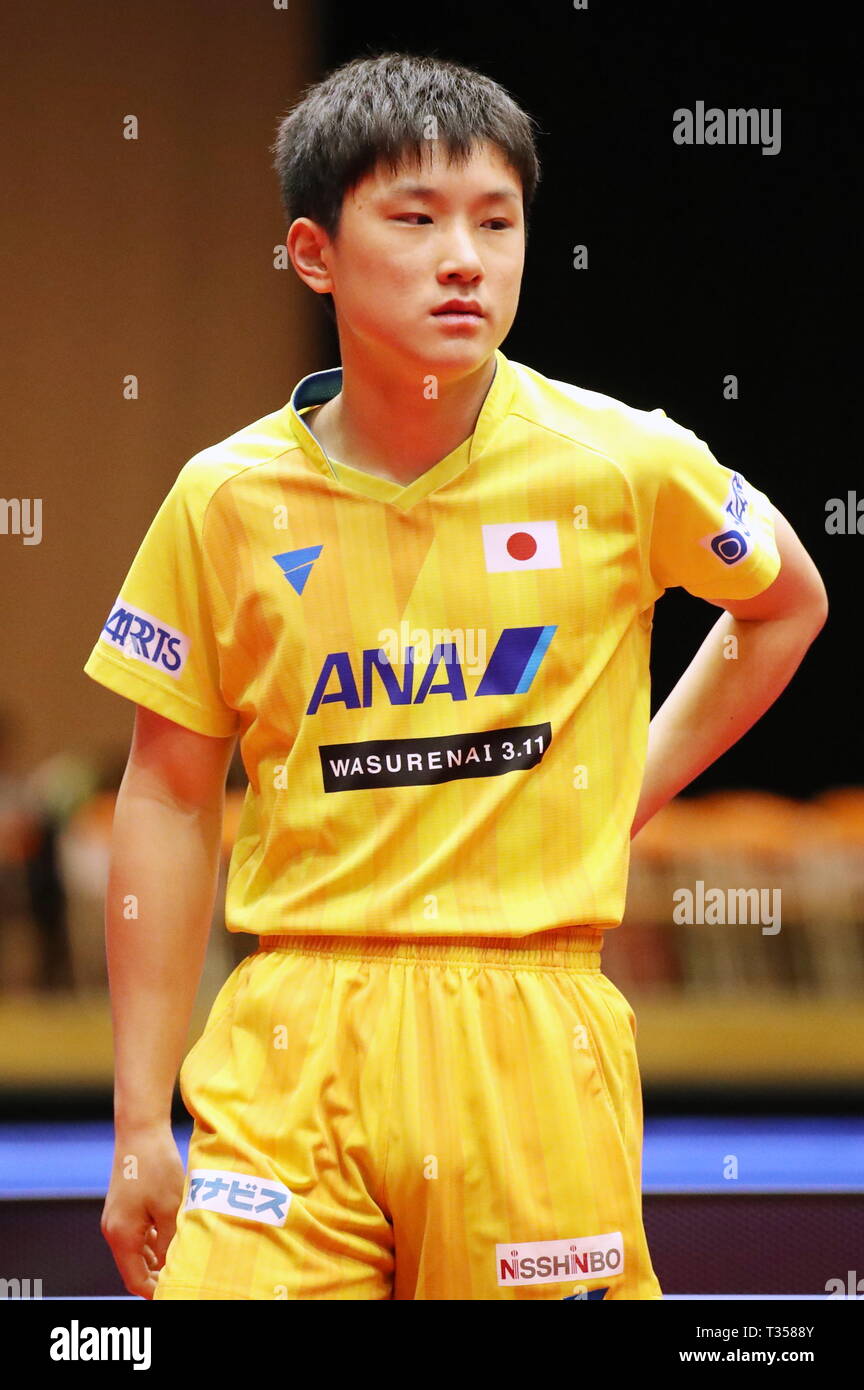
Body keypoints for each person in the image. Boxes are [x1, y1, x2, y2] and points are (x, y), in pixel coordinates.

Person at [84, 51, 827, 1301]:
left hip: (530, 1035)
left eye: (497, 221)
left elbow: (786, 602)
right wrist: (137, 1120)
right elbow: (165, 793)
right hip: (290, 1037)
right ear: (314, 253)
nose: (464, 258)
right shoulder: (221, 498)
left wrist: (623, 785)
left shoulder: (623, 461)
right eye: (417, 219)